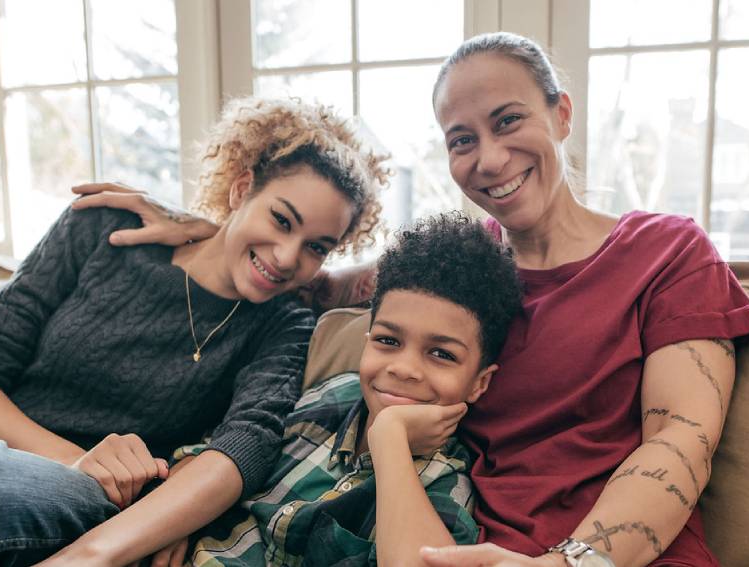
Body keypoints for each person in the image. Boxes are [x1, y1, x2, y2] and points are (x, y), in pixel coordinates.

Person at [66, 32, 749, 567]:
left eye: (509, 121)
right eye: (462, 140)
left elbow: (682, 439)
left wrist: (566, 562)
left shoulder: (667, 251)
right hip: (449, 544)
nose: (488, 159)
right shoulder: (461, 271)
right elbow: (307, 273)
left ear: (561, 113)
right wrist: (208, 228)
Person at [0, 96, 387, 567]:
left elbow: (247, 444)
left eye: (315, 247)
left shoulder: (283, 325)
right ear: (241, 190)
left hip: (89, 505)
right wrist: (77, 459)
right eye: (281, 220)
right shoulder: (104, 227)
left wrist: (162, 509)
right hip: (38, 464)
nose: (285, 256)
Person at [173, 212, 522, 567]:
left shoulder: (444, 484)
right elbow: (215, 454)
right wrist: (178, 517)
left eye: (440, 354)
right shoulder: (326, 397)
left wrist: (390, 437)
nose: (402, 368)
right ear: (367, 340)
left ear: (480, 382)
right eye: (388, 340)